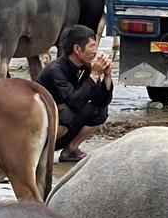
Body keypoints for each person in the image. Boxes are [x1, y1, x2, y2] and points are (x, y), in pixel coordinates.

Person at [38, 25, 113, 163]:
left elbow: (101, 100)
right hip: (43, 126)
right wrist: (94, 75)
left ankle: (71, 149)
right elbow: (73, 101)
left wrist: (107, 76)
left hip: (66, 127)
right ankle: (41, 150)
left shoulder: (86, 68)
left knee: (100, 110)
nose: (95, 51)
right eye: (92, 46)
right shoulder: (55, 70)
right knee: (65, 111)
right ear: (77, 49)